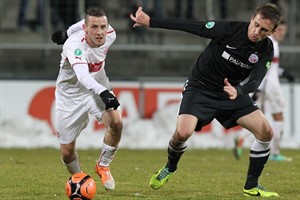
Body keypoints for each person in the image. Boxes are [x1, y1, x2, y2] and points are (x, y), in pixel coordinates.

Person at [130, 3, 282, 197]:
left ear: (273, 31)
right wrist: (151, 21)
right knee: (182, 134)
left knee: (266, 132)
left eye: (264, 30)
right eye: (256, 25)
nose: (256, 32)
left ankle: (251, 185)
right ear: (253, 18)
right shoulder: (230, 29)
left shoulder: (266, 48)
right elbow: (193, 26)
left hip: (231, 92)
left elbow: (256, 80)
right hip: (200, 87)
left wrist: (239, 90)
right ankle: (170, 167)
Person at [52, 7, 122, 191]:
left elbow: (87, 24)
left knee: (116, 123)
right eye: (94, 27)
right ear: (85, 28)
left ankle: (103, 165)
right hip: (71, 96)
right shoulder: (75, 46)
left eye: (103, 27)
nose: (100, 32)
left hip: (96, 89)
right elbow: (83, 77)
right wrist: (105, 93)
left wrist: (65, 32)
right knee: (67, 153)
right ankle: (79, 179)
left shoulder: (111, 34)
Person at [233, 20, 294, 161]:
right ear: (273, 30)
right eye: (279, 30)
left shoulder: (267, 44)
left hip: (264, 86)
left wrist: (284, 73)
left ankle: (241, 137)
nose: (282, 34)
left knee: (262, 118)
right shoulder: (271, 44)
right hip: (270, 86)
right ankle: (275, 153)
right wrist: (260, 89)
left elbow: (270, 68)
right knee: (278, 117)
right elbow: (265, 71)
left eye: (284, 31)